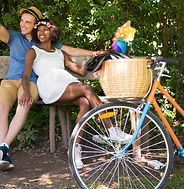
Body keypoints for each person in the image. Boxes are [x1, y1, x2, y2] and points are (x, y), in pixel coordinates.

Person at [0, 0, 103, 171]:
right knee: (2, 107)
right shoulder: (13, 37)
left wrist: (93, 53)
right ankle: (3, 153)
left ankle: (2, 149)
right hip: (10, 80)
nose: (23, 24)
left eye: (27, 22)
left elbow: (70, 51)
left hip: (33, 83)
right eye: (22, 21)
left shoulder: (43, 40)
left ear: (36, 25)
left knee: (24, 104)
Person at [19, 19, 132, 169]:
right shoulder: (33, 51)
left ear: (51, 32)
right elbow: (26, 75)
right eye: (38, 30)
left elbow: (80, 71)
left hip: (65, 83)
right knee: (86, 88)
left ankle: (74, 149)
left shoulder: (60, 53)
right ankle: (111, 129)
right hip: (49, 84)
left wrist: (95, 57)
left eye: (44, 30)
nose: (41, 33)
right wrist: (26, 92)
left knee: (85, 103)